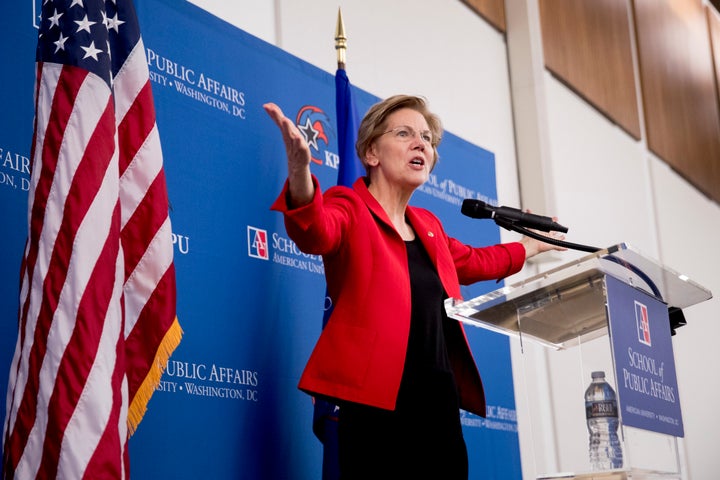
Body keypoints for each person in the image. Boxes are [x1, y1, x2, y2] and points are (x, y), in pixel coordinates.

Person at [265, 94, 566, 479]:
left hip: (439, 406)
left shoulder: (428, 226)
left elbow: (476, 261)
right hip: (376, 407)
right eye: (405, 133)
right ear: (371, 152)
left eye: (426, 138)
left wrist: (528, 246)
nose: (421, 143)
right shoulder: (350, 206)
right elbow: (315, 231)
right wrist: (299, 172)